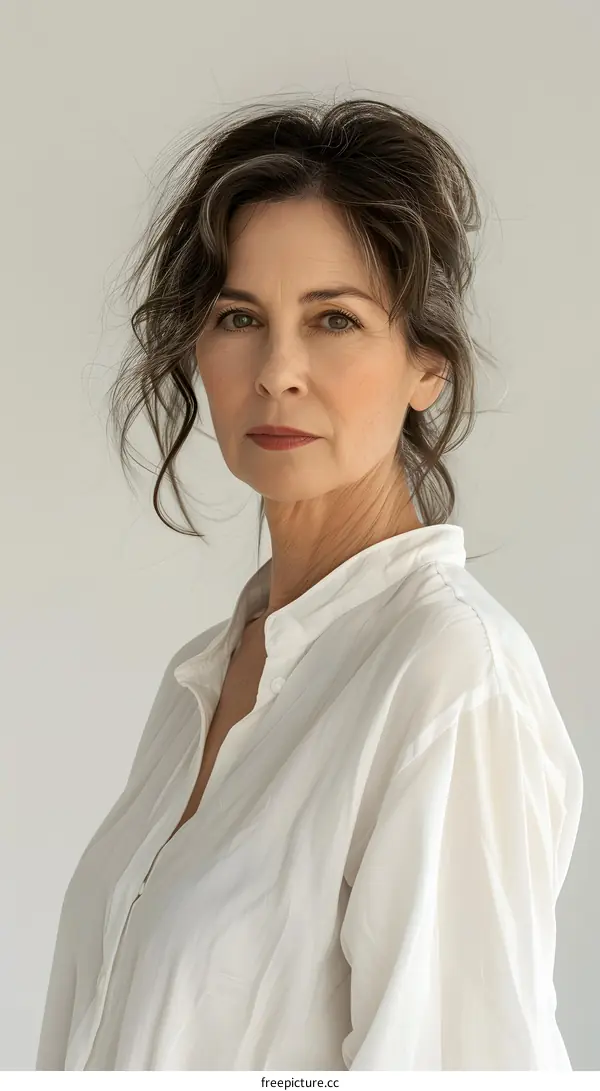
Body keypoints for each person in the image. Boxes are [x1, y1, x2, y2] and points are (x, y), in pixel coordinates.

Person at [36, 96, 583, 1071]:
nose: (278, 369)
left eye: (334, 318)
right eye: (240, 317)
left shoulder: (448, 679)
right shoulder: (201, 679)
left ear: (427, 365)